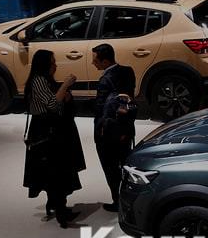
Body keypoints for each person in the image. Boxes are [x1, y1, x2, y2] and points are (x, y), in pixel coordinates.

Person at [23, 49, 86, 228]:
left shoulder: (45, 80)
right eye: (52, 62)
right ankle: (60, 212)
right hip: (46, 132)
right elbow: (52, 104)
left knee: (56, 171)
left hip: (52, 130)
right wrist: (65, 85)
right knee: (55, 172)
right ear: (44, 64)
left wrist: (65, 94)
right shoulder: (39, 81)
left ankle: (56, 205)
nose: (55, 65)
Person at [92, 43, 136, 212]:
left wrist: (98, 130)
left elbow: (99, 109)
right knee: (126, 164)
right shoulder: (128, 71)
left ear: (105, 61)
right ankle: (131, 199)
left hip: (109, 132)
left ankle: (118, 202)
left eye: (95, 60)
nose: (93, 63)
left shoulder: (105, 80)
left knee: (110, 168)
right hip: (126, 127)